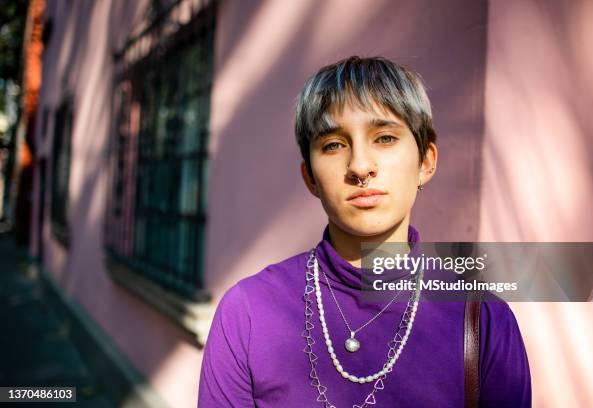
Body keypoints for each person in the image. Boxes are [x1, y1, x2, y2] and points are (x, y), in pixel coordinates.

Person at [198, 56, 531, 407]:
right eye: (333, 145)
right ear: (310, 176)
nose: (360, 166)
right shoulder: (247, 312)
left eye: (385, 138)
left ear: (426, 161)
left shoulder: (483, 320)